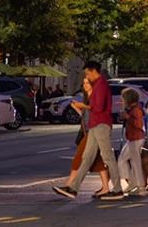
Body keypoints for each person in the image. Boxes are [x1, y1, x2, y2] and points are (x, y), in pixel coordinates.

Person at [53, 62, 124, 200]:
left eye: (87, 73)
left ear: (93, 71)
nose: (86, 76)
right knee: (87, 158)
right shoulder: (99, 85)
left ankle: (117, 189)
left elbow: (98, 107)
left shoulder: (101, 85)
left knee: (108, 157)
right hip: (95, 125)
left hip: (101, 124)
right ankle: (73, 188)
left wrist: (83, 105)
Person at [63, 78, 111, 198]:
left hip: (94, 132)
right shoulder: (88, 98)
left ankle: (70, 186)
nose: (85, 85)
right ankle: (105, 188)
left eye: (87, 83)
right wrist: (77, 109)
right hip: (91, 132)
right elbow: (87, 117)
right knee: (98, 162)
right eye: (83, 83)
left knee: (79, 158)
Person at [117, 88, 146, 195]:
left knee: (131, 161)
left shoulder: (135, 110)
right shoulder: (135, 109)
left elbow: (139, 124)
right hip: (134, 138)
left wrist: (127, 117)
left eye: (124, 98)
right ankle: (134, 183)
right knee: (131, 161)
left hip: (135, 138)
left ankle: (139, 185)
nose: (122, 100)